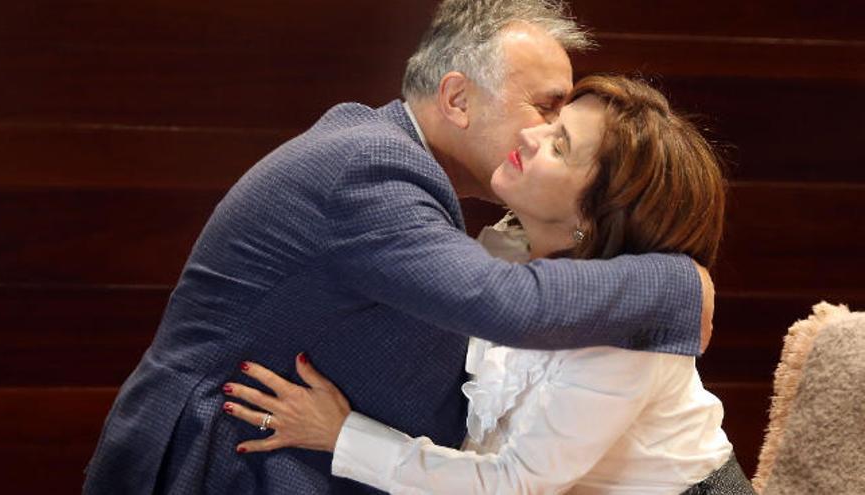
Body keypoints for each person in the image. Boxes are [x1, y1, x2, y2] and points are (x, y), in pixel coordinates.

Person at [83, 2, 715, 494]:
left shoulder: (394, 160)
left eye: (558, 134)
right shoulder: (375, 165)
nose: (539, 131)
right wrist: (679, 284)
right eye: (545, 108)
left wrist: (347, 435)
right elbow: (506, 306)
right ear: (458, 99)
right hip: (214, 455)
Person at [222, 76, 756, 494]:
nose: (529, 134)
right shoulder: (510, 240)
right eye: (551, 120)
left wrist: (343, 435)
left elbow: (513, 484)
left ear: (592, 220)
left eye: (560, 145)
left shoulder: (622, 337)